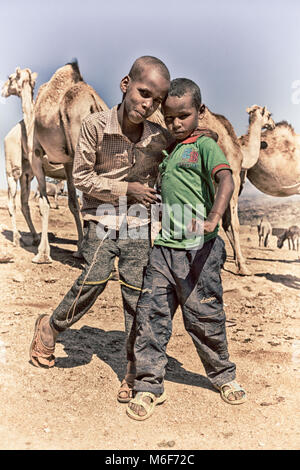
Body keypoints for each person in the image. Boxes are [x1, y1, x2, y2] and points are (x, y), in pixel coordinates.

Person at [29, 56, 174, 403]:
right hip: (101, 218)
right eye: (143, 93)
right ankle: (50, 326)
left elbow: (178, 158)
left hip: (139, 225)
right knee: (92, 279)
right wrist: (128, 190)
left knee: (135, 295)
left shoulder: (158, 137)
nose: (147, 104)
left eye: (156, 100)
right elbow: (80, 177)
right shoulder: (95, 126)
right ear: (126, 85)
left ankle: (131, 368)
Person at [126, 78, 247, 421]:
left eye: (184, 116)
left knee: (205, 317)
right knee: (151, 317)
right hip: (164, 250)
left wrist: (214, 218)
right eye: (170, 118)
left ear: (200, 112)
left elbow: (227, 179)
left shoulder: (206, 147)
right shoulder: (169, 152)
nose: (176, 123)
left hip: (200, 251)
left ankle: (223, 376)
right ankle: (149, 386)